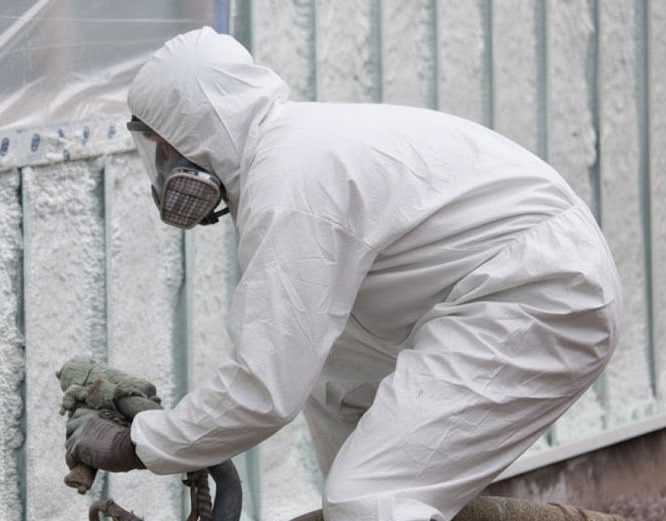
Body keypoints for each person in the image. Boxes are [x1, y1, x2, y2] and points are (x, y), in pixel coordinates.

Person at [65, 26, 622, 521]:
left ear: (200, 130)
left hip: (537, 291)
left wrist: (141, 442)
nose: (162, 173)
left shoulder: (290, 184)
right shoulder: (287, 152)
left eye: (164, 151)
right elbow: (286, 360)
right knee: (330, 378)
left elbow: (263, 389)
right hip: (496, 286)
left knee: (369, 498)